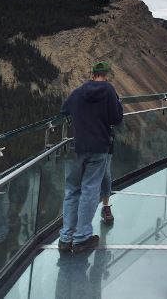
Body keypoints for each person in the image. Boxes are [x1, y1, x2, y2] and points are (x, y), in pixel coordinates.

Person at [59, 61, 123, 253]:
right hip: (100, 147)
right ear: (106, 75)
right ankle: (82, 237)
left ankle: (65, 238)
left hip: (78, 147)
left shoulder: (78, 92)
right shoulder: (109, 90)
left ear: (93, 74)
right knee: (90, 190)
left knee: (72, 190)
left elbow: (64, 110)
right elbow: (116, 118)